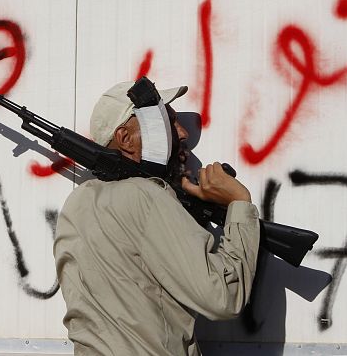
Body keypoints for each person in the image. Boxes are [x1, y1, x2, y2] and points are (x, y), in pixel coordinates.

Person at [53, 80, 260, 356]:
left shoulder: (77, 202)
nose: (183, 133)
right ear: (126, 139)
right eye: (167, 123)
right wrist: (238, 204)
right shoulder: (148, 197)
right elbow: (223, 297)